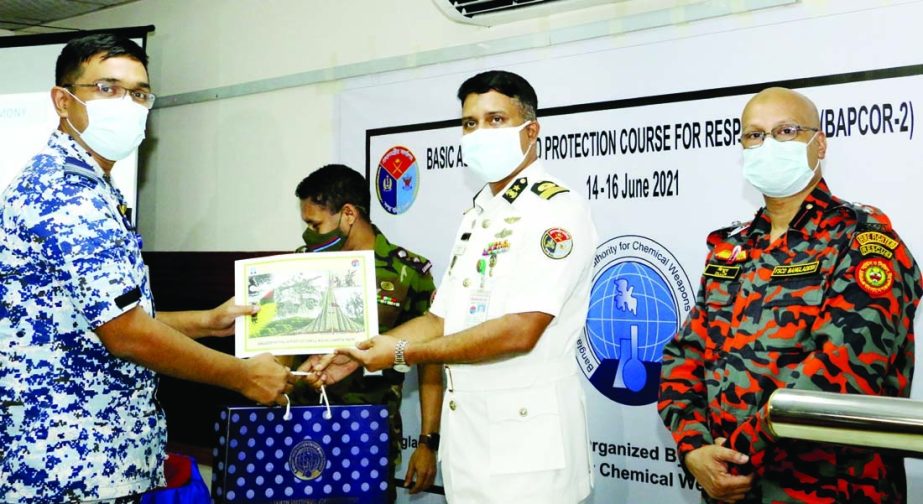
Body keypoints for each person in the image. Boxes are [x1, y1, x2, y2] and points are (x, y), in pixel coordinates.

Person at [0, 33, 291, 503]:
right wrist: (241, 375)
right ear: (63, 101)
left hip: (92, 459)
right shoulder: (68, 193)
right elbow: (126, 333)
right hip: (71, 465)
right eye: (108, 88)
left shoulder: (90, 186)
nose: (128, 105)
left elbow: (92, 321)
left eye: (139, 93)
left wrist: (206, 322)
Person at [305, 70, 596, 503]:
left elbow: (521, 329)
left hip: (527, 455)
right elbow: (441, 319)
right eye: (469, 123)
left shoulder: (554, 210)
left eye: (495, 120)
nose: (479, 132)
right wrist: (362, 352)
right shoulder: (479, 214)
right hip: (471, 449)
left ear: (531, 131)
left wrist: (402, 353)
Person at [658, 87, 922, 503]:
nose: (768, 145)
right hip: (731, 490)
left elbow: (845, 370)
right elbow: (685, 356)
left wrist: (737, 453)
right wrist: (694, 448)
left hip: (830, 488)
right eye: (754, 136)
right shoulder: (732, 248)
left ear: (819, 144)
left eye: (786, 131)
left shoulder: (864, 241)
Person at [289, 164, 443, 500]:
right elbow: (282, 347)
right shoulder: (301, 265)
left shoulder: (408, 271)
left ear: (348, 214)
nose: (309, 235)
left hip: (369, 432)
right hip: (301, 427)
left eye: (315, 224)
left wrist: (428, 442)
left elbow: (431, 362)